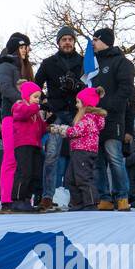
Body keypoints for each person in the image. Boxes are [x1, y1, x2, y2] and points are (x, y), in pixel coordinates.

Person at [34, 26, 85, 208]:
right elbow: (35, 86)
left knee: (78, 157)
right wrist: (44, 103)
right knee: (51, 156)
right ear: (58, 42)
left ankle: (77, 196)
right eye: (64, 39)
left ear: (74, 42)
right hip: (56, 113)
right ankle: (47, 195)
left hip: (77, 114)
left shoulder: (83, 62)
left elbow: (90, 86)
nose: (67, 42)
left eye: (70, 39)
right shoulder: (48, 63)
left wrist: (77, 86)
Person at [89, 28, 134, 210]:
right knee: (98, 161)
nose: (92, 43)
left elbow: (126, 90)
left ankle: (122, 196)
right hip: (93, 119)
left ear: (105, 40)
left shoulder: (122, 62)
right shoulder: (91, 64)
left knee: (114, 158)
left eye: (95, 39)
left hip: (113, 118)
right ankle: (104, 197)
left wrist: (108, 106)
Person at [0, 33, 33, 208]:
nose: (26, 50)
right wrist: (25, 100)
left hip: (24, 117)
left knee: (21, 159)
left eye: (27, 47)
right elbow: (5, 88)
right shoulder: (5, 65)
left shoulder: (23, 67)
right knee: (9, 158)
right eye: (23, 46)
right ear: (16, 48)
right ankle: (6, 198)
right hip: (10, 116)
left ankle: (21, 197)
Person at [56, 87, 107, 211]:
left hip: (83, 151)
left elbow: (75, 131)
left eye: (78, 102)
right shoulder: (86, 119)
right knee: (70, 178)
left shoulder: (88, 119)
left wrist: (63, 129)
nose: (76, 104)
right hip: (78, 151)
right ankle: (78, 202)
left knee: (83, 177)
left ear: (86, 103)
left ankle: (90, 203)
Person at [9, 81, 47, 211]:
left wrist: (49, 122)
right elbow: (23, 113)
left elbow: (42, 128)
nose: (37, 100)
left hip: (35, 144)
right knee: (24, 171)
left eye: (39, 97)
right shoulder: (19, 106)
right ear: (27, 95)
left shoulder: (35, 112)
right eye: (35, 97)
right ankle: (18, 198)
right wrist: (37, 107)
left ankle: (27, 199)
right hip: (23, 144)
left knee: (34, 172)